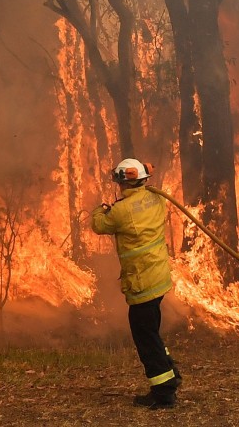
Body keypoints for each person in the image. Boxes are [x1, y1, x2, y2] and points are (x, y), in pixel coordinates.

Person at [92, 158, 181, 409]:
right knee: (150, 331)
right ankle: (170, 375)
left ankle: (164, 392)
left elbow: (99, 225)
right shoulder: (157, 199)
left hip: (142, 283)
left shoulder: (120, 211)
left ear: (122, 182)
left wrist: (100, 208)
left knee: (145, 336)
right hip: (159, 278)